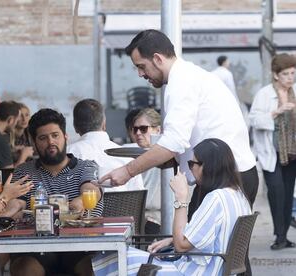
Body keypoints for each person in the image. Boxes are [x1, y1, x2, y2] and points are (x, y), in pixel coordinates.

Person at [100, 29, 258, 210]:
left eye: (141, 66)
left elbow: (174, 142)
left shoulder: (182, 82)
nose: (140, 74)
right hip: (228, 176)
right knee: (187, 236)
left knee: (186, 238)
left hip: (227, 179)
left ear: (158, 59)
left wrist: (127, 171)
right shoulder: (187, 75)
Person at [92, 138, 252, 276]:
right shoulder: (238, 195)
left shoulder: (216, 198)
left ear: (207, 167)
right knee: (123, 256)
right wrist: (171, 240)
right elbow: (207, 238)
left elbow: (181, 245)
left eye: (192, 164)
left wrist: (181, 198)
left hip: (193, 272)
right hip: (214, 269)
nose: (190, 168)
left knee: (114, 257)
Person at [10, 108, 103, 276]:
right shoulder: (24, 172)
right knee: (24, 268)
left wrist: (81, 201)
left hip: (81, 246)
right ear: (34, 142)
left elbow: (91, 189)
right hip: (36, 247)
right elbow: (18, 203)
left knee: (94, 267)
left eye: (55, 135)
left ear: (65, 136)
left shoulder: (86, 166)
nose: (50, 142)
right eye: (43, 138)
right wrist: (9, 208)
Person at [248, 53, 296, 250]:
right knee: (276, 193)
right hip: (272, 154)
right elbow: (254, 120)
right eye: (285, 74)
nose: (290, 77)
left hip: (292, 153)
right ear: (276, 75)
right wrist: (276, 112)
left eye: (293, 73)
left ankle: (283, 236)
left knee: (287, 195)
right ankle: (279, 235)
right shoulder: (265, 94)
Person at [67, 98, 144, 192]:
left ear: (75, 127)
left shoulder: (67, 155)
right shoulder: (127, 158)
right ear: (104, 124)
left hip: (83, 206)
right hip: (122, 206)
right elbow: (138, 198)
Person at [131, 108, 162, 234]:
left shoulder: (166, 157)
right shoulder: (129, 155)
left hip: (157, 222)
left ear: (157, 130)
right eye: (135, 129)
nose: (138, 133)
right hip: (138, 220)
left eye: (143, 129)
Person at [9, 102, 34, 167]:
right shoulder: (6, 136)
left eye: (27, 115)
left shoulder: (31, 132)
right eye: (20, 116)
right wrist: (24, 155)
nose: (24, 119)